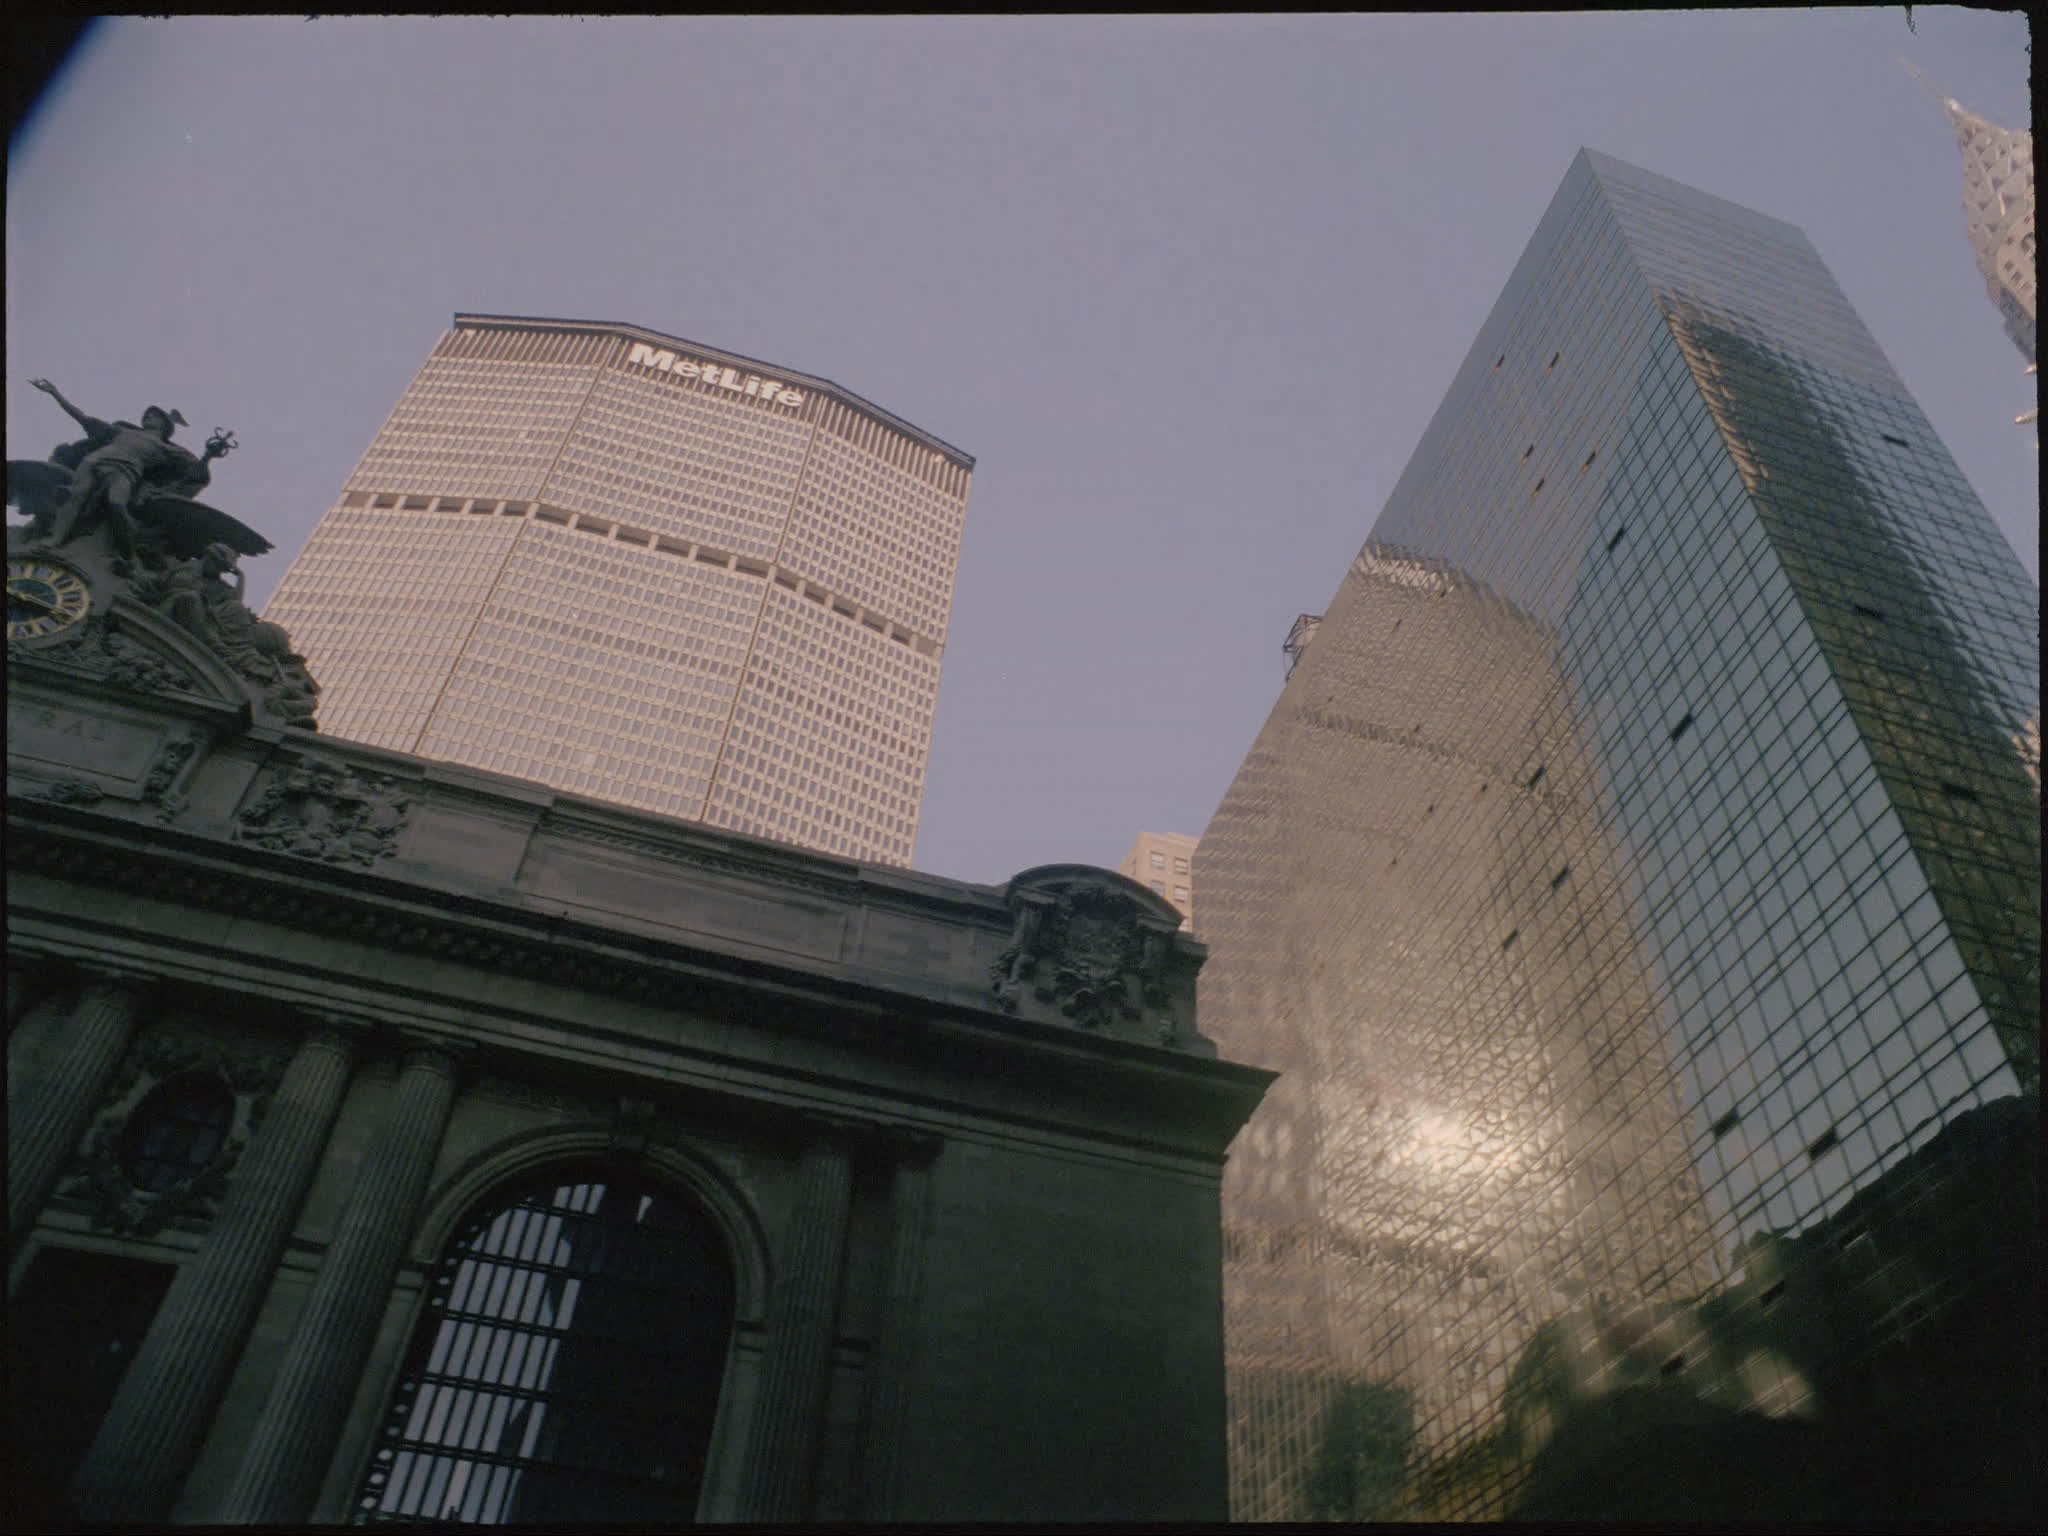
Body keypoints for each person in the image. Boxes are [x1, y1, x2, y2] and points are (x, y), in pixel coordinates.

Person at [28, 379, 223, 562]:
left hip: (126, 472)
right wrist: (55, 393)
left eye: (154, 416)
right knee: (75, 497)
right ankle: (55, 539)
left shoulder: (169, 449)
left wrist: (208, 455)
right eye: (147, 415)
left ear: (165, 426)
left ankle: (127, 553)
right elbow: (83, 418)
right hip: (94, 462)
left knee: (117, 504)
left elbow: (195, 470)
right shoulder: (123, 431)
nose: (148, 417)